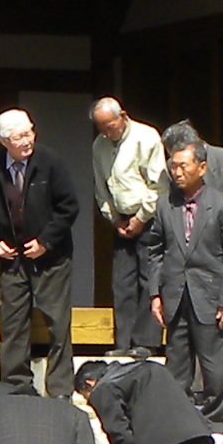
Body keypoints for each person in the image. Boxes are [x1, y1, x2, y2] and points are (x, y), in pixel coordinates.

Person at [0, 109, 83, 396]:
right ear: (4, 141)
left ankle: (60, 388)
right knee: (13, 323)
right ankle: (16, 385)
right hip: (13, 258)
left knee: (57, 322)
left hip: (51, 257)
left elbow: (68, 207)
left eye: (30, 132)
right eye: (20, 137)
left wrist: (45, 241)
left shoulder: (50, 161)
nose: (28, 140)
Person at [156, 139, 223, 430]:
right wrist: (155, 294)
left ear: (202, 167)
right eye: (173, 166)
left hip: (210, 295)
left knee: (214, 364)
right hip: (175, 294)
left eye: (183, 166)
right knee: (177, 364)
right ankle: (178, 420)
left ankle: (214, 419)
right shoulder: (166, 205)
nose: (177, 172)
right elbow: (154, 251)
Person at [86, 98, 166, 355]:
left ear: (123, 115)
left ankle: (146, 342)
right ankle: (124, 342)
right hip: (121, 218)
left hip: (149, 217)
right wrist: (113, 218)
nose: (107, 132)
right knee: (122, 281)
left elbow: (158, 184)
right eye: (101, 128)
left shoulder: (146, 136)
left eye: (110, 126)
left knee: (148, 279)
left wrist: (141, 218)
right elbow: (101, 186)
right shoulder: (99, 145)